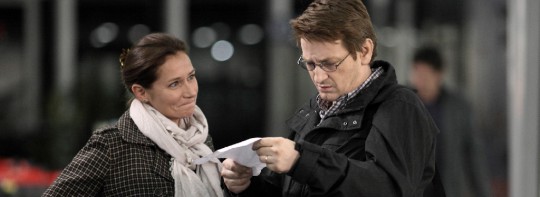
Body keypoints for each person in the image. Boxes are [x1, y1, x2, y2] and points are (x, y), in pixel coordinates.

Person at [221, 0, 444, 196]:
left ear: (365, 51)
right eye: (310, 64)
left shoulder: (399, 106)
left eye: (329, 64)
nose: (319, 76)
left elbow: (389, 189)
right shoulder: (313, 112)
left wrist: (302, 160)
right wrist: (247, 186)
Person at [43, 33, 223, 197]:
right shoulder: (112, 145)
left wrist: (233, 187)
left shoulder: (199, 139)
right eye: (174, 84)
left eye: (191, 77)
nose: (191, 91)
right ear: (141, 92)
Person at [409, 46, 491, 197]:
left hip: (447, 187)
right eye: (417, 74)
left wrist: (483, 192)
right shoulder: (402, 104)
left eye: (426, 76)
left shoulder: (458, 108)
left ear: (439, 74)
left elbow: (473, 155)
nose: (420, 81)